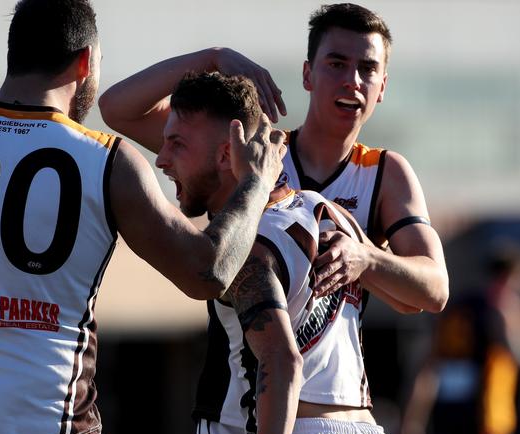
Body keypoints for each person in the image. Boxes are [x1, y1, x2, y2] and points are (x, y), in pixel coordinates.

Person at [0, 0, 285, 434]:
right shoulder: (106, 160)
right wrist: (256, 183)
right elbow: (207, 272)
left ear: (14, 53)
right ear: (86, 61)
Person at [99, 2, 449, 316]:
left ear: (383, 86)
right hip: (239, 382)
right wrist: (212, 58)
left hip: (333, 386)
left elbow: (435, 290)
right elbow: (117, 108)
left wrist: (365, 258)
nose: (352, 81)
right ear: (307, 74)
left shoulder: (385, 172)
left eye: (368, 69)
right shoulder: (253, 149)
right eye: (337, 64)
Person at [144, 71, 399, 434]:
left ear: (227, 155)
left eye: (177, 144)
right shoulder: (327, 211)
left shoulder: (245, 249)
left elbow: (281, 358)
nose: (161, 158)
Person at [400, 244, 520, 434]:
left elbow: (427, 366)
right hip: (483, 414)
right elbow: (513, 355)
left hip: (452, 411)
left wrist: (414, 419)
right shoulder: (496, 311)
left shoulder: (456, 310)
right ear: (507, 279)